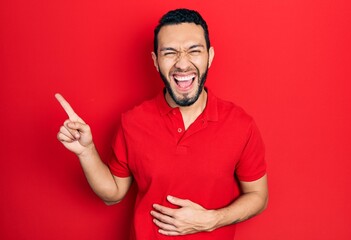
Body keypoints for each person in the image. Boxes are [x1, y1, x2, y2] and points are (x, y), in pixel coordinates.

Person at [56, 8, 268, 240]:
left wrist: (212, 220)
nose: (182, 64)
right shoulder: (133, 122)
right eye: (170, 53)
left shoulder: (240, 124)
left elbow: (258, 195)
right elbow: (113, 194)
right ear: (156, 61)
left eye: (194, 51)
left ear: (210, 55)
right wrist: (86, 152)